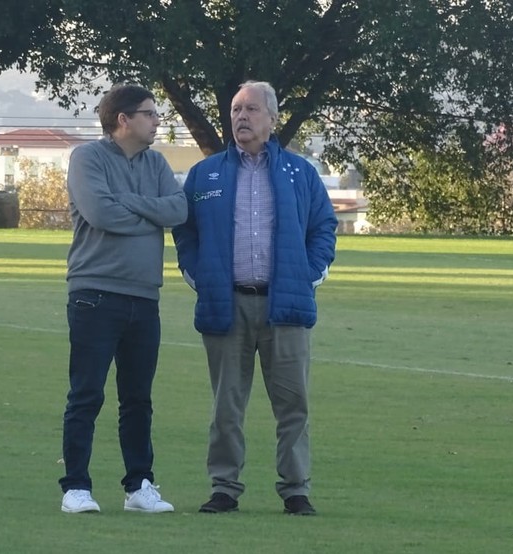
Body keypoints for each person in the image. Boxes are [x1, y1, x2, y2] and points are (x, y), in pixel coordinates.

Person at [173, 80, 338, 516]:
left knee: (293, 404)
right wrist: (197, 274)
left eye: (250, 109)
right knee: (226, 405)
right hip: (226, 304)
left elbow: (323, 227)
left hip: (286, 304)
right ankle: (224, 488)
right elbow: (185, 230)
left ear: (272, 118)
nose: (241, 117)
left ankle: (296, 490)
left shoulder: (300, 173)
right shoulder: (205, 174)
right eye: (235, 110)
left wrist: (309, 274)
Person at [59, 84, 186, 514]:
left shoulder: (157, 163)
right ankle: (76, 487)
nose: (157, 121)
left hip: (144, 298)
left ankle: (139, 486)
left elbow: (178, 210)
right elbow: (101, 213)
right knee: (86, 394)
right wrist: (149, 214)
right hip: (94, 294)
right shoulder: (87, 158)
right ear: (123, 120)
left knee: (137, 399)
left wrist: (129, 203)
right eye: (149, 114)